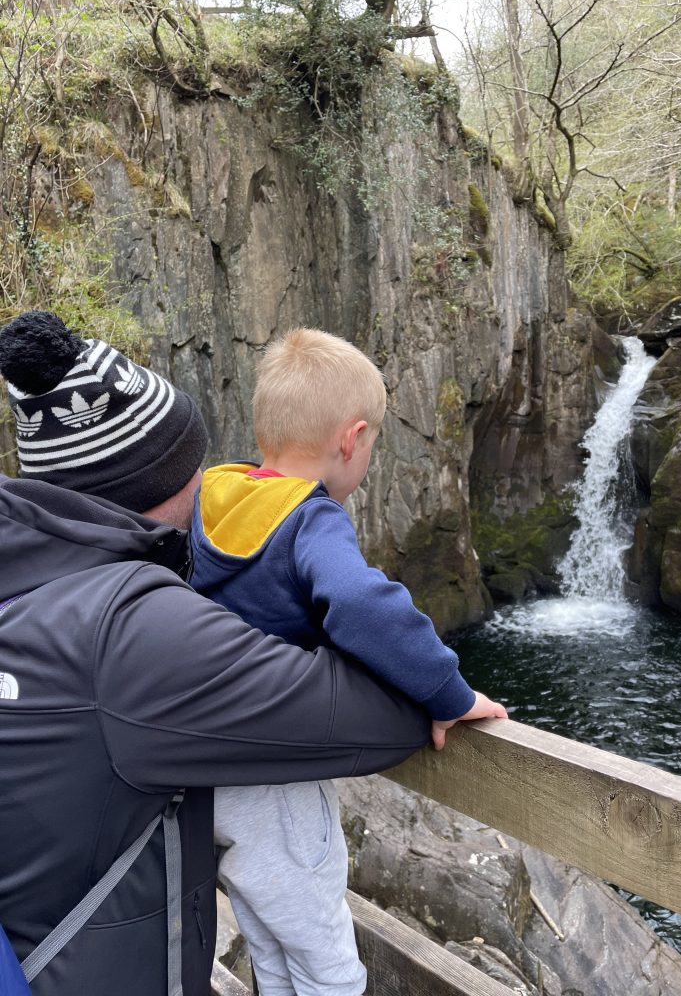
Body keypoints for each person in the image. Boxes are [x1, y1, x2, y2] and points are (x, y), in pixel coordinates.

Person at [0, 310, 434, 996]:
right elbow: (385, 715)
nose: (208, 480)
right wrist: (448, 692)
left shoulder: (30, 585)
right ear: (156, 486)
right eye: (192, 463)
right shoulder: (132, 633)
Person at [190, 328, 508, 996]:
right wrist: (449, 693)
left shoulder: (213, 499)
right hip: (271, 775)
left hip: (203, 772)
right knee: (326, 954)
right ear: (351, 438)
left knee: (269, 928)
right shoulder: (309, 520)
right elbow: (363, 604)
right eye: (374, 443)